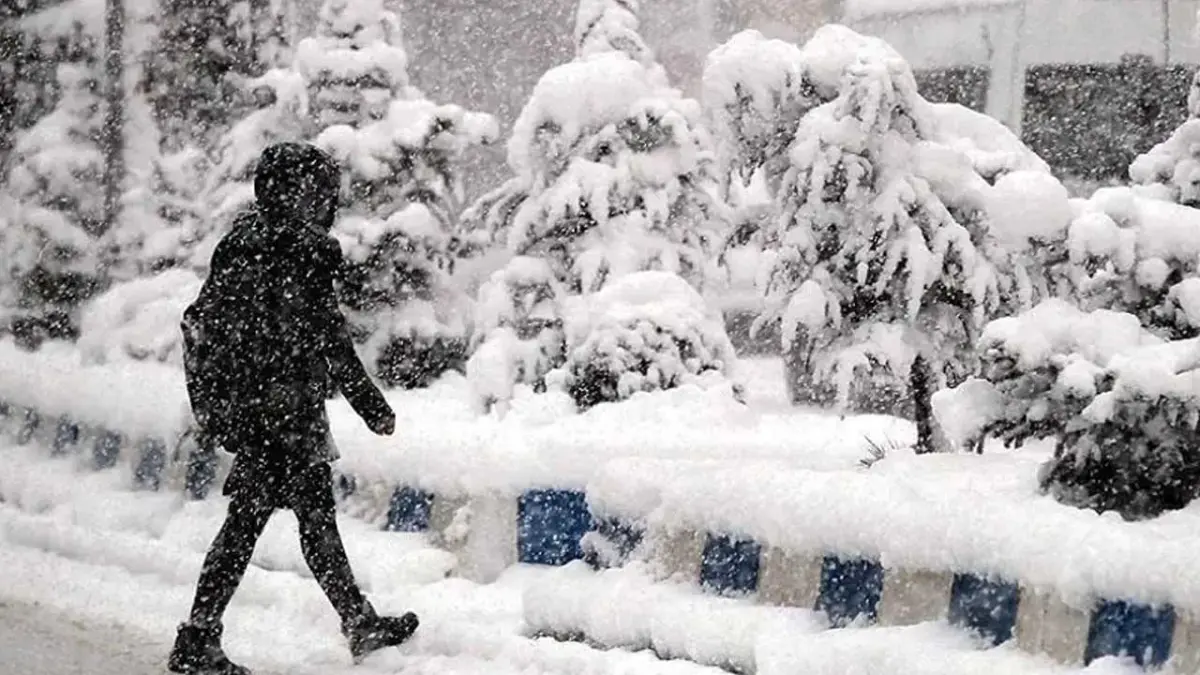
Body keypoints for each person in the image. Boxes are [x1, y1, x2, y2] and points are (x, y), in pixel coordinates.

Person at [171, 142, 419, 675]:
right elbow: (329, 340)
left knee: (303, 522)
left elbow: (251, 332)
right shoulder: (294, 252)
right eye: (317, 191)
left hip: (267, 413)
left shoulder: (244, 245)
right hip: (280, 418)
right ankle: (198, 638)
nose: (325, 201)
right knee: (259, 526)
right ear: (293, 193)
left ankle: (357, 622)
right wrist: (372, 407)